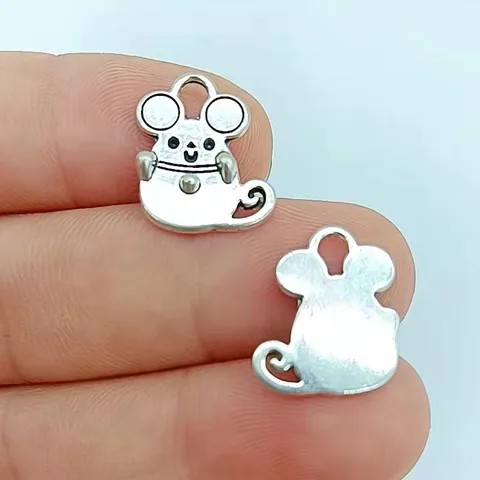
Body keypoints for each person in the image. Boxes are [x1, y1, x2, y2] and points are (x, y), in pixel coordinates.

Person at [0, 51, 430, 479]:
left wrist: (224, 178)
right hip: (175, 204)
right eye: (178, 143)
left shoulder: (323, 298)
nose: (190, 150)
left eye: (206, 145)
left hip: (334, 343)